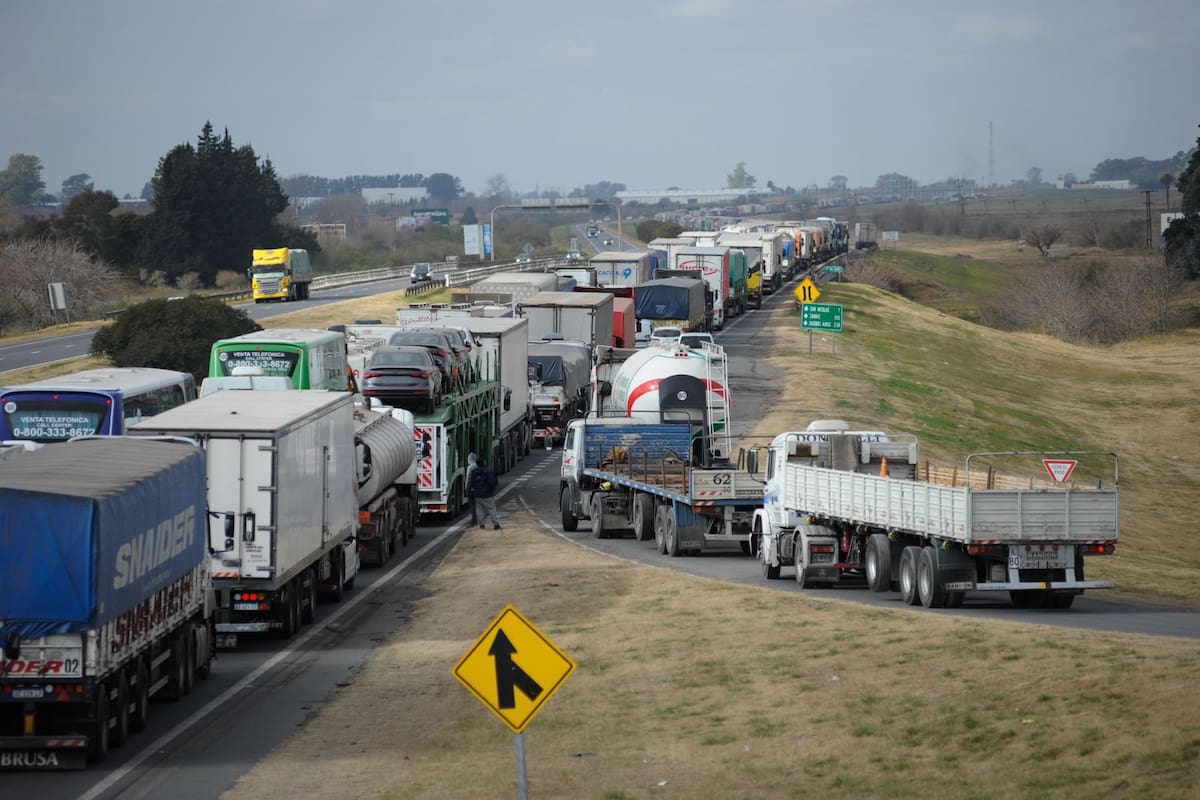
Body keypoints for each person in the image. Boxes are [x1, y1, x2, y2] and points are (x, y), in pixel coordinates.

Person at [471, 457, 501, 530]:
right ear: (484, 462)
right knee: (491, 509)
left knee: (479, 509)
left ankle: (481, 525)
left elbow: (472, 482)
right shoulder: (488, 471)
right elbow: (493, 482)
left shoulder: (474, 471)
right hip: (487, 494)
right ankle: (496, 524)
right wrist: (492, 490)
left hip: (477, 494)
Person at [465, 452, 479, 526]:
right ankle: (481, 520)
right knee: (480, 506)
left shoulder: (470, 467)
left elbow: (468, 479)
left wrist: (466, 489)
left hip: (472, 489)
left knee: (472, 506)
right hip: (479, 489)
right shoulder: (478, 466)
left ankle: (474, 520)